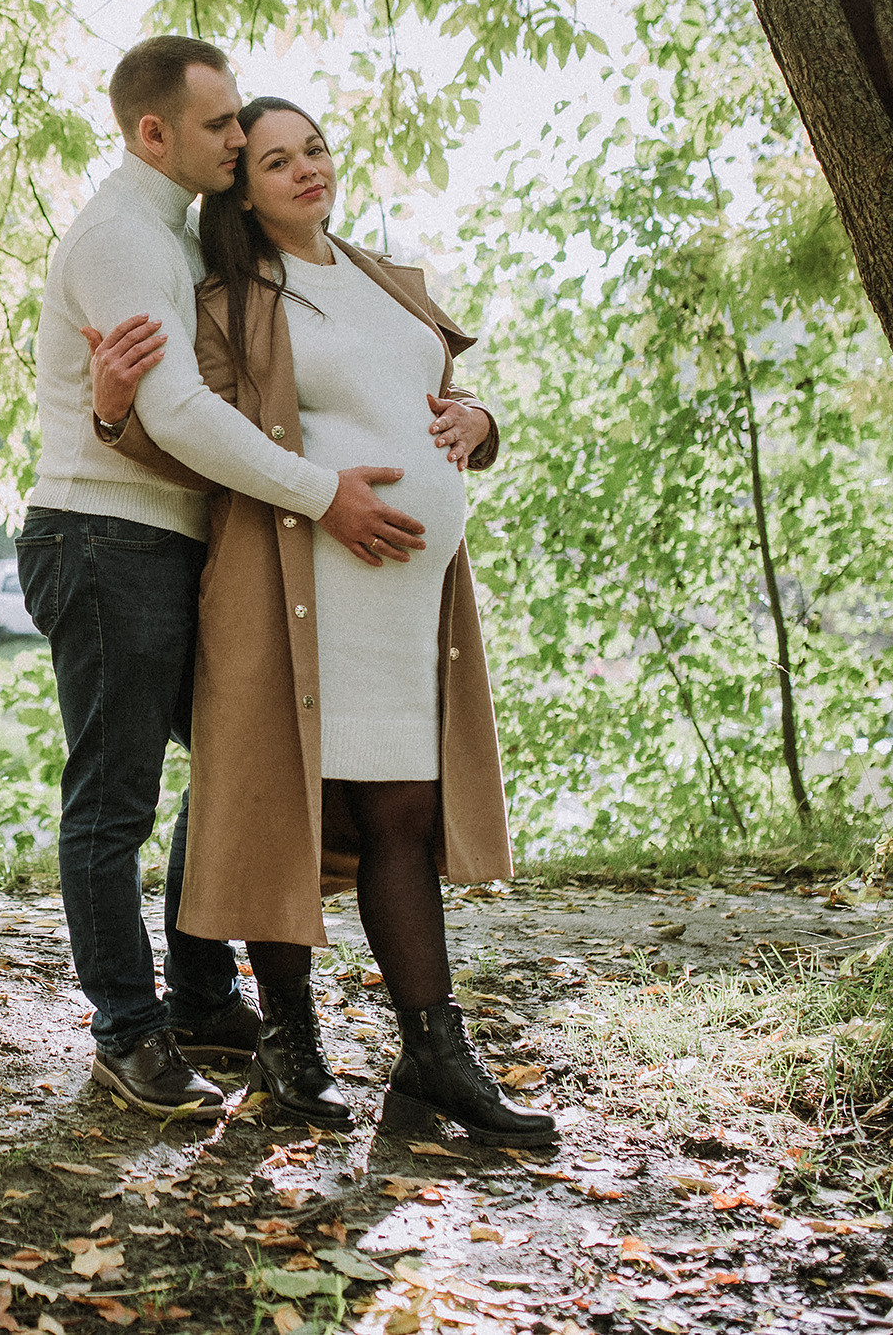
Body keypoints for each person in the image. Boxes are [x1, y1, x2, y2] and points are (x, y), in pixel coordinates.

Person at [84, 96, 555, 1147]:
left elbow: (436, 395)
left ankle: (434, 1056)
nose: (307, 171)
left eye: (317, 149)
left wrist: (483, 424)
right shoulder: (230, 299)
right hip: (300, 586)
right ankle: (291, 1044)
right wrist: (112, 412)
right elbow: (188, 432)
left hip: (406, 602)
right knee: (281, 811)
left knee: (403, 814)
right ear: (240, 189)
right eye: (276, 161)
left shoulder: (385, 276)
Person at [21, 39, 429, 1120]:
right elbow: (181, 415)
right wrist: (320, 493)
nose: (242, 141)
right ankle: (129, 1031)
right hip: (104, 542)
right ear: (153, 134)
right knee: (114, 802)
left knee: (237, 764)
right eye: (221, 127)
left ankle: (202, 990)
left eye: (242, 121)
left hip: (168, 540)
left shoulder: (171, 236)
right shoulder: (121, 239)